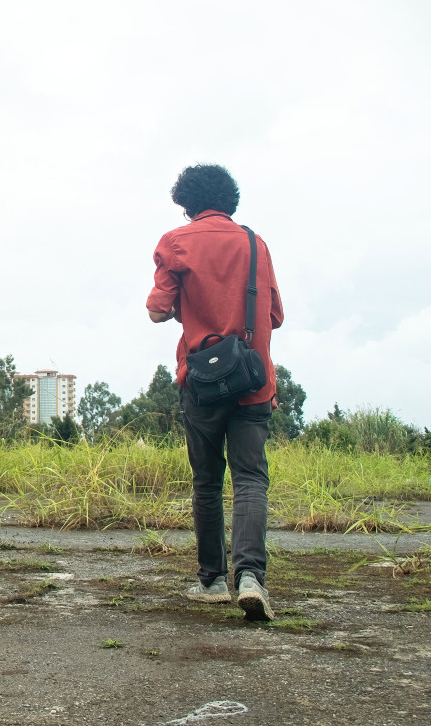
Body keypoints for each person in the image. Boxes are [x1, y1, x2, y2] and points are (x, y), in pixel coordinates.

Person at [145, 164, 283, 620]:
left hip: (202, 380)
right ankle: (251, 578)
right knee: (250, 478)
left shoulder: (177, 242)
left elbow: (157, 311)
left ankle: (212, 581)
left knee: (207, 480)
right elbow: (276, 315)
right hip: (253, 379)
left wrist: (191, 304)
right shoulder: (255, 244)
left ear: (186, 203)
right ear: (231, 200)